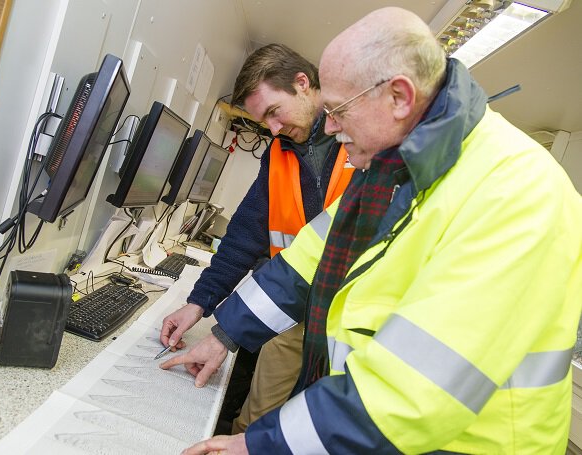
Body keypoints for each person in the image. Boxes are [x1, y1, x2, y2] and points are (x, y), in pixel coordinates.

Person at [161, 6, 582, 454]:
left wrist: (260, 445)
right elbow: (307, 261)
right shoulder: (393, 170)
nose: (331, 126)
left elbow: (413, 390)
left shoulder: (515, 192)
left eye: (339, 111)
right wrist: (223, 337)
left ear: (398, 97)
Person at [159, 43, 354, 433]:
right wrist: (199, 303)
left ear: (303, 83)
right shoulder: (280, 153)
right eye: (265, 121)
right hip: (294, 308)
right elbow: (244, 237)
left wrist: (225, 333)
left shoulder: (362, 140)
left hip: (352, 316)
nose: (274, 130)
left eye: (273, 113)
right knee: (255, 421)